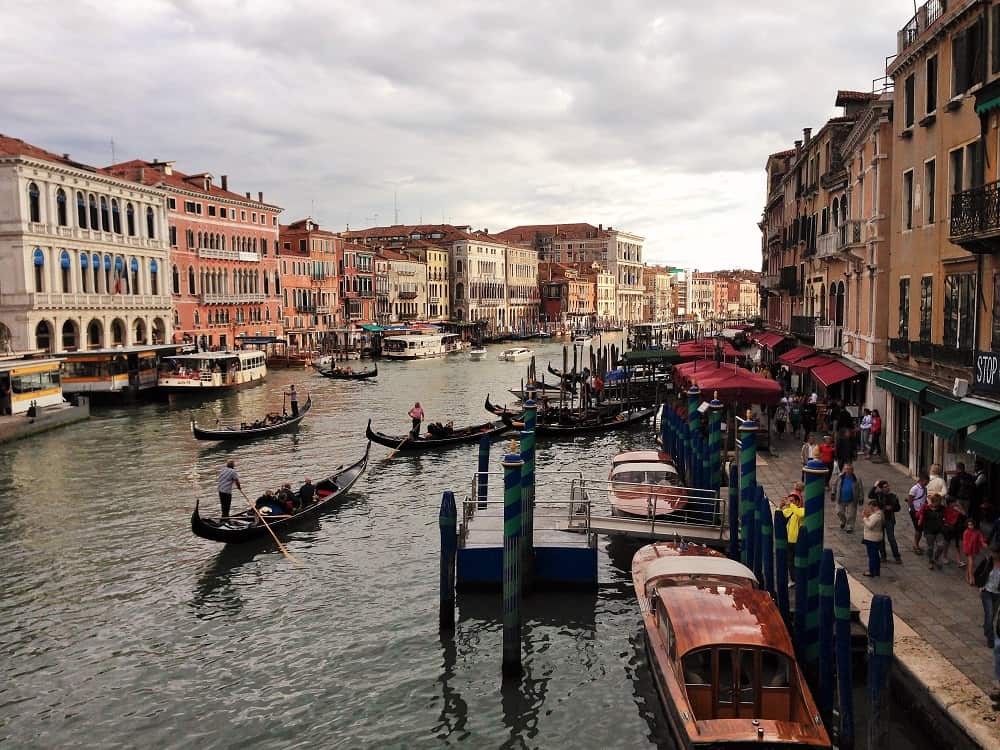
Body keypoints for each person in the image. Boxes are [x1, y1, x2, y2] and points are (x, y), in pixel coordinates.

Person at [870, 479, 902, 564]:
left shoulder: (893, 496)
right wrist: (875, 486)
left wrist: (892, 508)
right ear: (881, 488)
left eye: (888, 486)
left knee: (891, 538)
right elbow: (870, 495)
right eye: (885, 487)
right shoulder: (878, 495)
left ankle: (897, 556)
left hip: (889, 519)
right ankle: (883, 556)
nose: (887, 488)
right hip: (880, 519)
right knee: (881, 538)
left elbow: (898, 508)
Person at [780, 486, 805, 575]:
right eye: (790, 501)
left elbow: (799, 513)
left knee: (799, 561)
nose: (790, 503)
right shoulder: (789, 510)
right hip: (789, 541)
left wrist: (791, 505)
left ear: (798, 502)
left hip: (798, 541)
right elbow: (779, 515)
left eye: (792, 501)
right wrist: (780, 507)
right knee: (790, 561)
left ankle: (799, 576)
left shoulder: (802, 510)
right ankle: (793, 578)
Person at [919, 492, 947, 570]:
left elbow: (945, 517)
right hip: (929, 531)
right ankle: (930, 561)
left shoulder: (942, 508)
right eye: (936, 502)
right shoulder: (926, 509)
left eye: (938, 502)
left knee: (941, 546)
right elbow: (921, 518)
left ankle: (936, 558)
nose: (937, 504)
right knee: (930, 547)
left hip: (939, 531)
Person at [833, 462, 863, 533]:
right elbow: (834, 484)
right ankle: (843, 521)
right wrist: (833, 493)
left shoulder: (857, 479)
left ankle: (850, 526)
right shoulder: (840, 477)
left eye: (850, 469)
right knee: (839, 512)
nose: (848, 470)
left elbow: (860, 489)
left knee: (851, 514)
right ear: (844, 470)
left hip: (852, 499)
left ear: (852, 470)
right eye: (846, 469)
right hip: (841, 498)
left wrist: (861, 497)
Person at [940, 494, 966, 567]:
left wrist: (959, 507)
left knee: (956, 544)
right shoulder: (946, 509)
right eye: (954, 502)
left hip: (956, 529)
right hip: (948, 529)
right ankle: (944, 557)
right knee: (947, 543)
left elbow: (964, 514)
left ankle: (959, 560)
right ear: (950, 503)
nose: (955, 503)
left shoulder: (957, 509)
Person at [907, 473, 930, 555]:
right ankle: (915, 545)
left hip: (922, 511)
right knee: (918, 529)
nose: (927, 483)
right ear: (922, 480)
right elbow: (910, 501)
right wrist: (913, 512)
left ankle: (916, 544)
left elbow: (924, 499)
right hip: (915, 512)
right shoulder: (914, 489)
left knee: (920, 529)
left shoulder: (925, 489)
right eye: (926, 481)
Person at [862, 497, 884, 577]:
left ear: (876, 506)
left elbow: (870, 525)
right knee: (876, 556)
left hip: (872, 538)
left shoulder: (877, 515)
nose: (870, 508)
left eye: (871, 506)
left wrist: (864, 518)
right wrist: (868, 517)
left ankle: (872, 571)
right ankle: (876, 571)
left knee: (872, 556)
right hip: (875, 537)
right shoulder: (878, 514)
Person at [983, 548, 1000, 649]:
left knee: (992, 615)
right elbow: (979, 572)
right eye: (992, 552)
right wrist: (980, 585)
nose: (992, 554)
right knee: (989, 615)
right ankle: (990, 638)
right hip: (987, 592)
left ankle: (986, 628)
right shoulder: (988, 561)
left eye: (995, 552)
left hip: (997, 594)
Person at [963, 520, 988, 585]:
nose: (970, 526)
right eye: (969, 525)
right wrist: (966, 551)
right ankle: (971, 577)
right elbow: (965, 542)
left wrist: (983, 544)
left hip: (974, 550)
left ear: (974, 524)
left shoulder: (977, 532)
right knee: (971, 563)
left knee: (969, 563)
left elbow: (981, 539)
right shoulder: (966, 532)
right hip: (968, 550)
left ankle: (966, 575)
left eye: (971, 524)